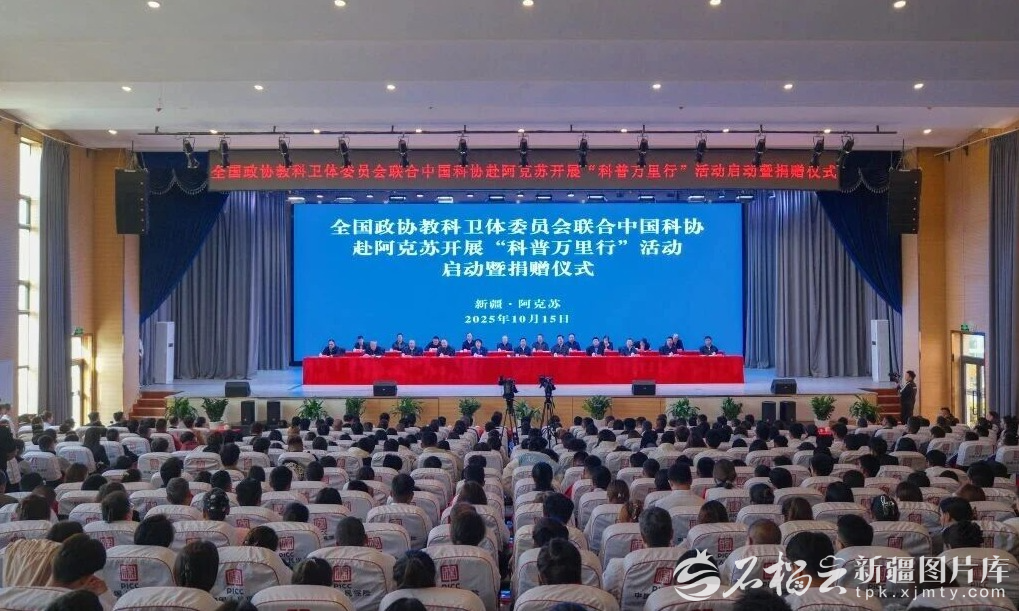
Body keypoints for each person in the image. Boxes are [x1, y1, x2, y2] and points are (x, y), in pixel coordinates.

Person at [46, 534, 111, 605]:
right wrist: (107, 596)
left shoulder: (35, 595)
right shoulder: (90, 606)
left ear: (53, 562)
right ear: (85, 579)